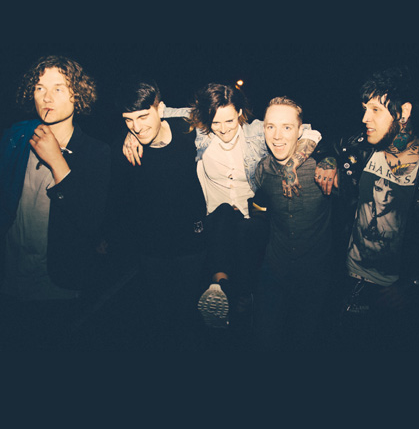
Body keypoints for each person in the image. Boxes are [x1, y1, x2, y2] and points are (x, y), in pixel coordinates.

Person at [123, 83, 322, 332]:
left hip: (251, 223)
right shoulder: (202, 133)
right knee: (224, 213)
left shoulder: (256, 133)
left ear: (240, 113)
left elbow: (309, 131)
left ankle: (237, 294)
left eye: (229, 120)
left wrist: (293, 163)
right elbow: (154, 114)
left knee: (247, 231)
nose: (223, 128)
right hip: (215, 224)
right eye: (216, 122)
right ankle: (221, 288)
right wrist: (134, 132)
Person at [314, 66, 419, 350]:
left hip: (395, 294)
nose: (365, 118)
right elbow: (329, 146)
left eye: (376, 110)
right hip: (348, 277)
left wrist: (412, 286)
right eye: (365, 109)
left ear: (404, 112)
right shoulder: (359, 149)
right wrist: (327, 161)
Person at [0, 55, 111, 350]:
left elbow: (89, 222)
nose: (46, 97)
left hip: (57, 287)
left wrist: (57, 162)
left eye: (58, 89)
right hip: (10, 280)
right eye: (40, 88)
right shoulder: (15, 139)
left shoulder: (95, 152)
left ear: (78, 95)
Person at [101, 77, 207, 349]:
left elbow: (224, 121)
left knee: (190, 316)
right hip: (151, 249)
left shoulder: (188, 132)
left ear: (160, 110)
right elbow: (117, 198)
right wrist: (108, 236)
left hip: (193, 244)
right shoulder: (122, 149)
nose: (136, 127)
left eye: (143, 116)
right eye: (128, 120)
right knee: (160, 318)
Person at [252, 96, 333, 351]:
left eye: (286, 127)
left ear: (300, 130)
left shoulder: (323, 170)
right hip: (273, 273)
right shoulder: (262, 171)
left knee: (304, 343)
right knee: (265, 341)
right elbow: (258, 208)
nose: (277, 136)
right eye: (270, 127)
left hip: (314, 277)